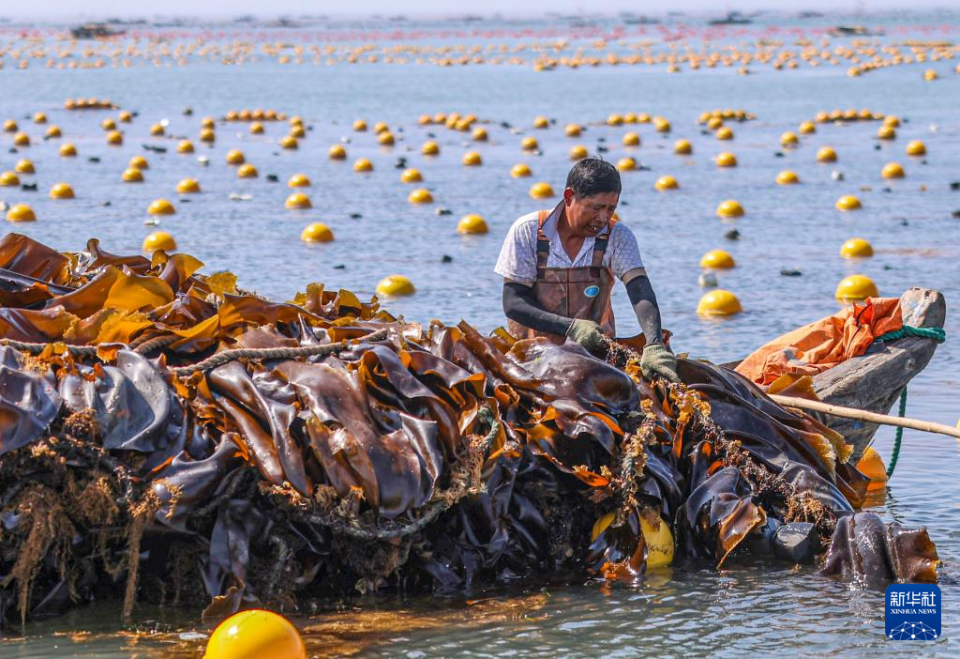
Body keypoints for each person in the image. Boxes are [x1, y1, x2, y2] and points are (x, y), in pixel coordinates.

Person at [494, 157, 679, 383]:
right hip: (531, 360)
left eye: (611, 208)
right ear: (569, 197)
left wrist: (654, 343)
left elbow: (639, 289)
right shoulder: (528, 231)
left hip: (597, 358)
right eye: (596, 207)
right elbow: (513, 303)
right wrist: (571, 328)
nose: (603, 218)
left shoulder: (617, 236)